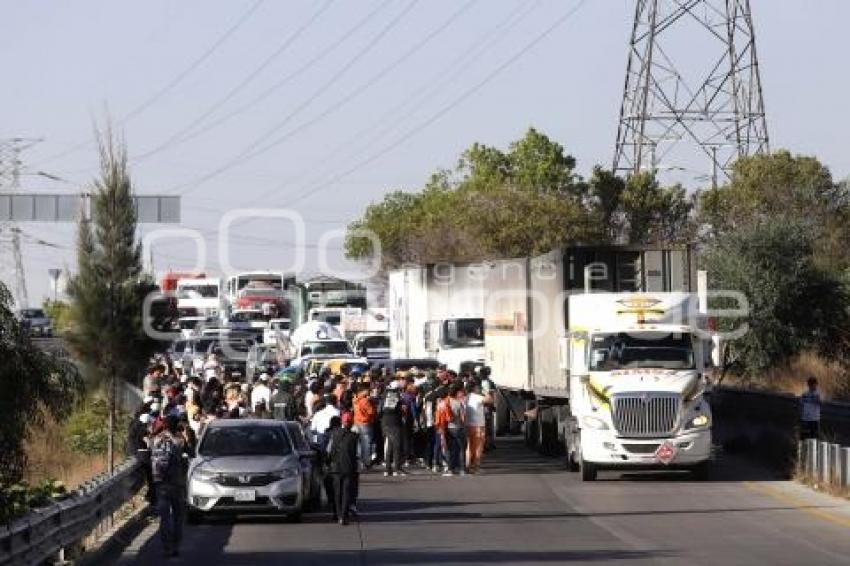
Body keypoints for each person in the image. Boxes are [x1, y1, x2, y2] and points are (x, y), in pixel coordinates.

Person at [150, 415, 186, 558]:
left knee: (165, 518)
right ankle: (176, 546)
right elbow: (186, 453)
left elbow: (149, 449)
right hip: (176, 483)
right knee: (178, 516)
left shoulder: (156, 440)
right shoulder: (179, 441)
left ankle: (166, 548)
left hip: (161, 484)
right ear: (176, 425)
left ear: (164, 425)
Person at [327, 412, 360, 525]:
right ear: (351, 423)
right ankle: (344, 516)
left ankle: (337, 514)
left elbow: (329, 450)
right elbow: (359, 453)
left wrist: (329, 461)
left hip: (336, 467)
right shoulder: (354, 436)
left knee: (337, 491)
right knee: (346, 491)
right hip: (349, 467)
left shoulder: (334, 434)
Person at [380, 381, 405, 477]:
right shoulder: (392, 395)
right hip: (393, 423)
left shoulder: (386, 395)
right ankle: (396, 469)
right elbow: (389, 410)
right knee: (396, 446)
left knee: (389, 446)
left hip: (387, 423)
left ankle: (388, 469)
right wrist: (401, 409)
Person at [465, 381, 490, 474]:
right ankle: (476, 467)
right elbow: (490, 400)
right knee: (478, 447)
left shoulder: (465, 397)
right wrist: (485, 392)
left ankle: (468, 466)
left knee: (469, 447)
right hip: (478, 425)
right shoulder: (477, 397)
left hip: (467, 425)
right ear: (474, 388)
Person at [443, 384, 466, 476]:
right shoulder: (458, 403)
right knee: (461, 449)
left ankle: (450, 469)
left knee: (449, 449)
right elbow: (463, 417)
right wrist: (463, 426)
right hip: (458, 427)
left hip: (448, 428)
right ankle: (462, 469)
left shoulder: (444, 403)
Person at [352, 385, 376, 470]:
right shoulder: (365, 401)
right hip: (365, 423)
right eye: (367, 390)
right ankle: (366, 462)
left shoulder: (354, 400)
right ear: (362, 391)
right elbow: (371, 412)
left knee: (358, 444)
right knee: (366, 444)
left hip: (356, 423)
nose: (368, 391)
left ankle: (360, 462)